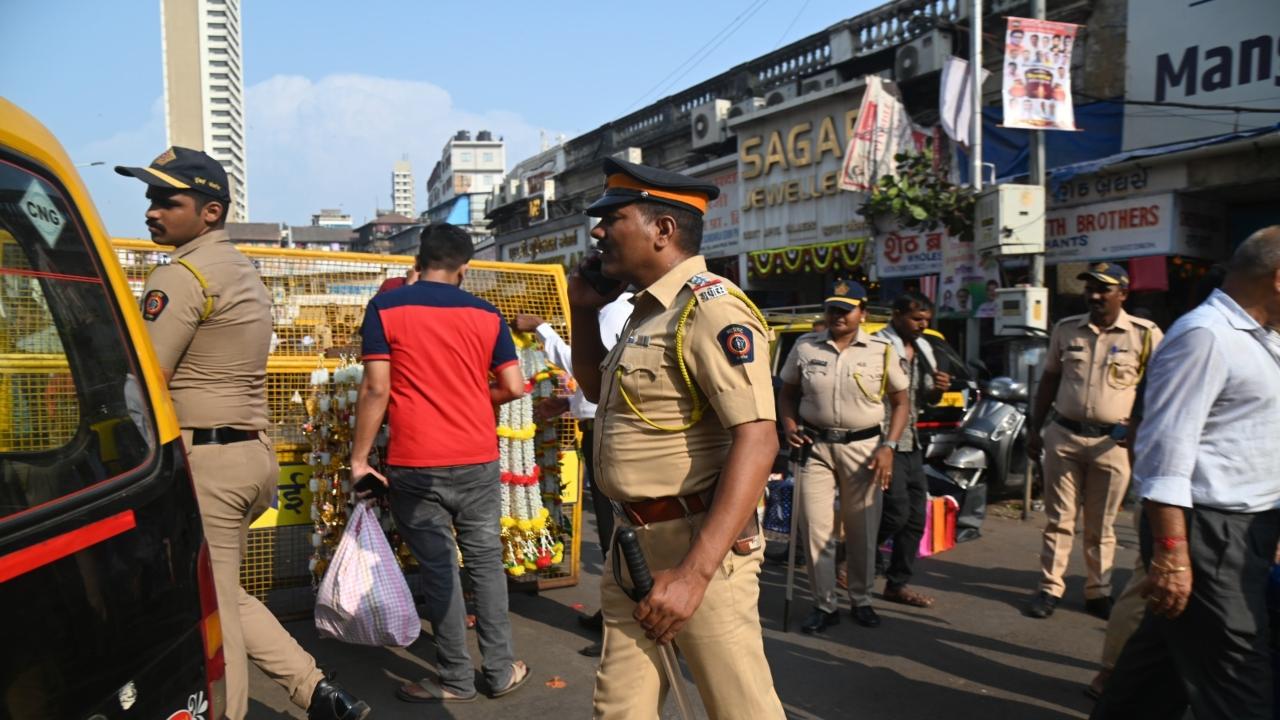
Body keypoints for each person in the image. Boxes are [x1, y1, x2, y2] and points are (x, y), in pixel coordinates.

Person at [115, 147, 368, 720]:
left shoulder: (182, 275)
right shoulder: (239, 269)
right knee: (223, 590)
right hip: (248, 457)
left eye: (167, 201)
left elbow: (144, 386)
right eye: (151, 199)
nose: (153, 211)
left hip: (207, 461)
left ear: (210, 212)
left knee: (214, 611)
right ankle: (317, 693)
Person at [569, 158, 785, 719]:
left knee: (741, 709)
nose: (598, 233)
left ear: (662, 230)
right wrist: (583, 313)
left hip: (698, 545)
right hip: (632, 545)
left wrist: (693, 575)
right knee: (619, 709)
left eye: (611, 219)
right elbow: (596, 389)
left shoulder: (710, 310)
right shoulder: (644, 311)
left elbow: (759, 440)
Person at [1092, 227, 1280, 719]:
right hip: (1207, 534)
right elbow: (1164, 453)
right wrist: (1173, 555)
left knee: (1157, 674)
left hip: (1246, 531)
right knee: (1241, 684)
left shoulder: (1262, 339)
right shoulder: (1206, 337)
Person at [351, 223, 530, 704]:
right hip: (477, 458)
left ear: (418, 261)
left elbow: (375, 388)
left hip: (415, 460)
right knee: (486, 563)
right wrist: (475, 396)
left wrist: (359, 458)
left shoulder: (385, 309)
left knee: (438, 567)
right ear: (464, 268)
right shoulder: (487, 315)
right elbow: (513, 387)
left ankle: (453, 678)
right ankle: (498, 669)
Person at [1026, 262, 1163, 620]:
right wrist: (1034, 429)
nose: (1095, 296)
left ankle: (1097, 590)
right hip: (1064, 436)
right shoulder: (1066, 329)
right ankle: (1049, 587)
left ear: (1123, 293)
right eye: (1090, 288)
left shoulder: (1145, 335)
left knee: (1101, 524)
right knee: (1059, 518)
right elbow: (1049, 382)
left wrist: (1140, 429)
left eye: (1103, 289)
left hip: (1113, 445)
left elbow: (1159, 390)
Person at [779, 280, 910, 633]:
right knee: (816, 528)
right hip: (814, 447)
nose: (837, 315)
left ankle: (861, 598)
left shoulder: (881, 350)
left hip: (865, 449)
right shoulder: (806, 347)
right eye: (832, 308)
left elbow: (900, 403)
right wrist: (790, 425)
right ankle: (825, 604)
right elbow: (787, 393)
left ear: (862, 313)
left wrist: (889, 447)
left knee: (861, 528)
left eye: (846, 309)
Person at [512, 293, 634, 657]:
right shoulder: (623, 309)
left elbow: (587, 366)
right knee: (617, 532)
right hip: (604, 426)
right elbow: (606, 380)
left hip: (610, 432)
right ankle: (615, 612)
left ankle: (623, 627)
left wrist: (541, 329)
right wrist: (569, 403)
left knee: (619, 533)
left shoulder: (616, 310)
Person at [873, 292, 951, 609]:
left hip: (912, 443)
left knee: (917, 518)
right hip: (884, 441)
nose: (921, 325)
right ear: (896, 315)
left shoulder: (924, 348)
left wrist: (937, 390)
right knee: (895, 512)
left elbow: (924, 401)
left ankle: (897, 584)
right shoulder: (877, 346)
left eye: (926, 321)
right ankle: (851, 557)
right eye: (916, 319)